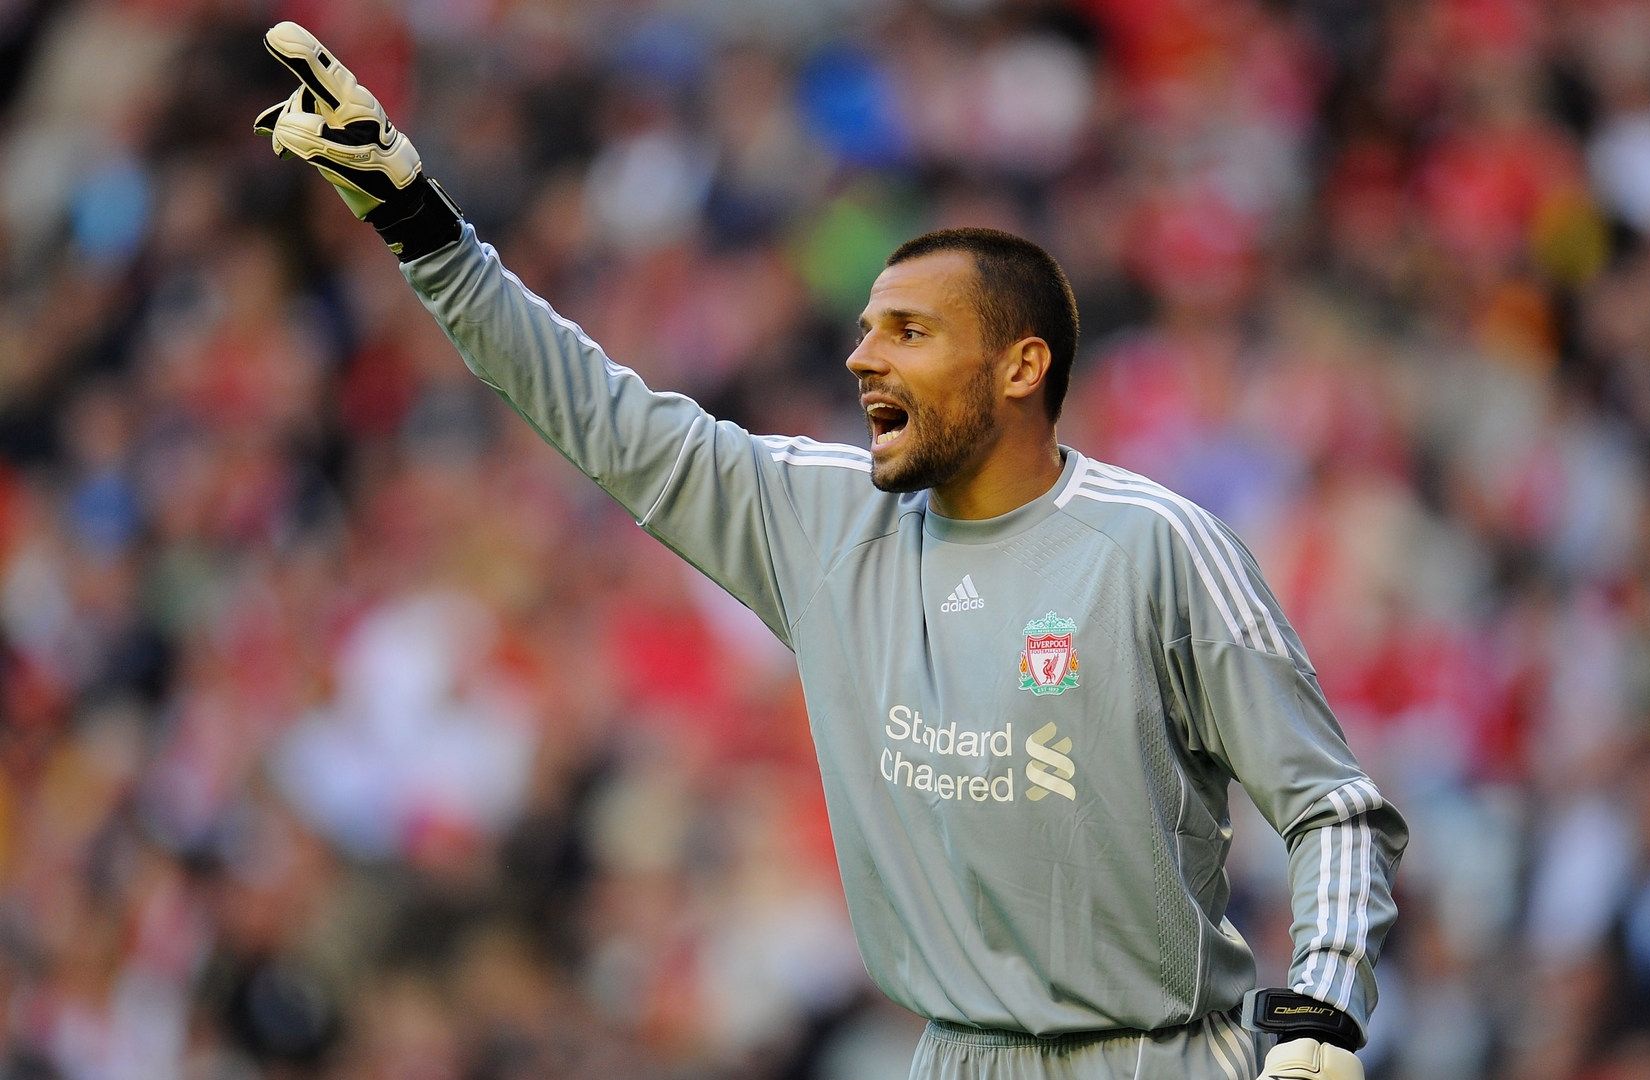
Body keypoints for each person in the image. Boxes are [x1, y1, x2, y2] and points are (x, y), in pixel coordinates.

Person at [254, 22, 1408, 1080]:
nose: (866, 360)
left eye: (910, 334)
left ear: (1021, 369)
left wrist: (1324, 1008)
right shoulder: (822, 519)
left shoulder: (1158, 550)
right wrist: (422, 229)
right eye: (866, 331)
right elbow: (593, 412)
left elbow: (1335, 808)